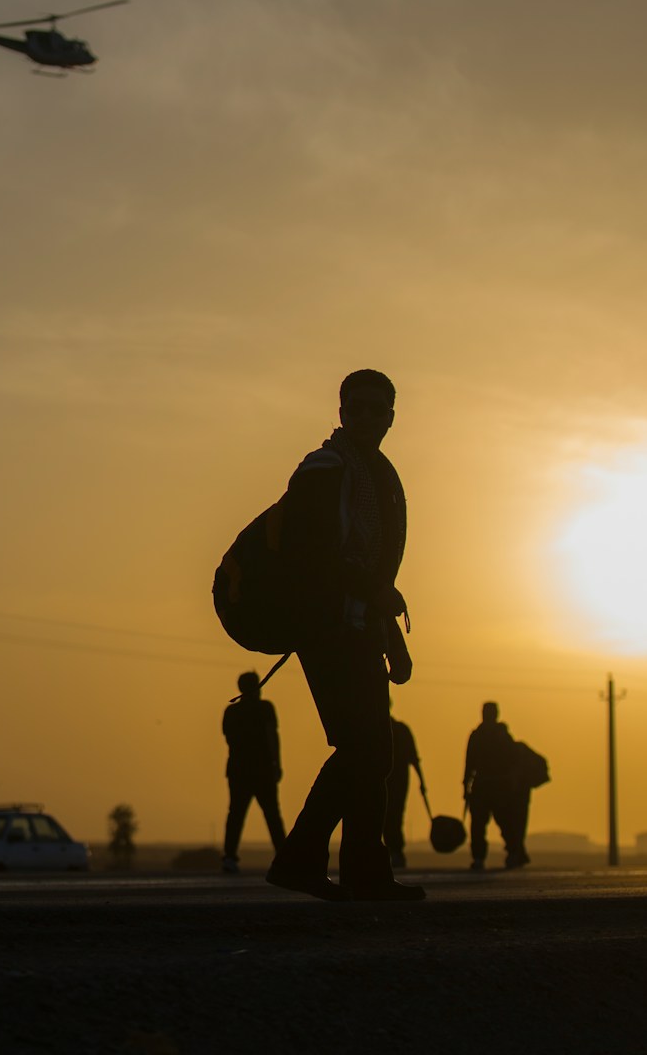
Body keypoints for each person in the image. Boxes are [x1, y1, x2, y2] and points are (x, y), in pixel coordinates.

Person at [263, 370, 421, 902]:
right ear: (341, 412)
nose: (367, 417)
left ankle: (352, 868)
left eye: (378, 409)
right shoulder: (325, 468)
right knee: (365, 746)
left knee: (373, 750)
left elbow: (379, 570)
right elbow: (315, 556)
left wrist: (389, 635)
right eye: (357, 408)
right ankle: (311, 861)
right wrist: (371, 596)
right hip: (327, 627)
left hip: (360, 629)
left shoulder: (380, 476)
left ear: (391, 417)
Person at [219, 670, 284, 874]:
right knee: (272, 814)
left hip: (238, 769)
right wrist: (277, 764)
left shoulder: (232, 712)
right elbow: (272, 736)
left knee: (236, 814)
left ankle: (230, 857)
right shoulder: (265, 708)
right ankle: (283, 857)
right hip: (262, 768)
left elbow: (229, 739)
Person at [464, 701, 529, 869]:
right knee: (479, 825)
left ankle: (513, 853)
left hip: (499, 786)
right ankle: (479, 857)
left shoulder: (502, 736)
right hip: (484, 785)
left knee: (504, 822)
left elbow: (514, 761)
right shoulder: (479, 736)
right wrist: (466, 785)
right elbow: (469, 763)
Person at [385, 705, 423, 868]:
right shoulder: (373, 729)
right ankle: (392, 853)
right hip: (382, 778)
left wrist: (422, 782)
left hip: (397, 779)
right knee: (387, 817)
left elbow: (414, 758)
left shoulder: (400, 730)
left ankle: (396, 852)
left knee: (393, 816)